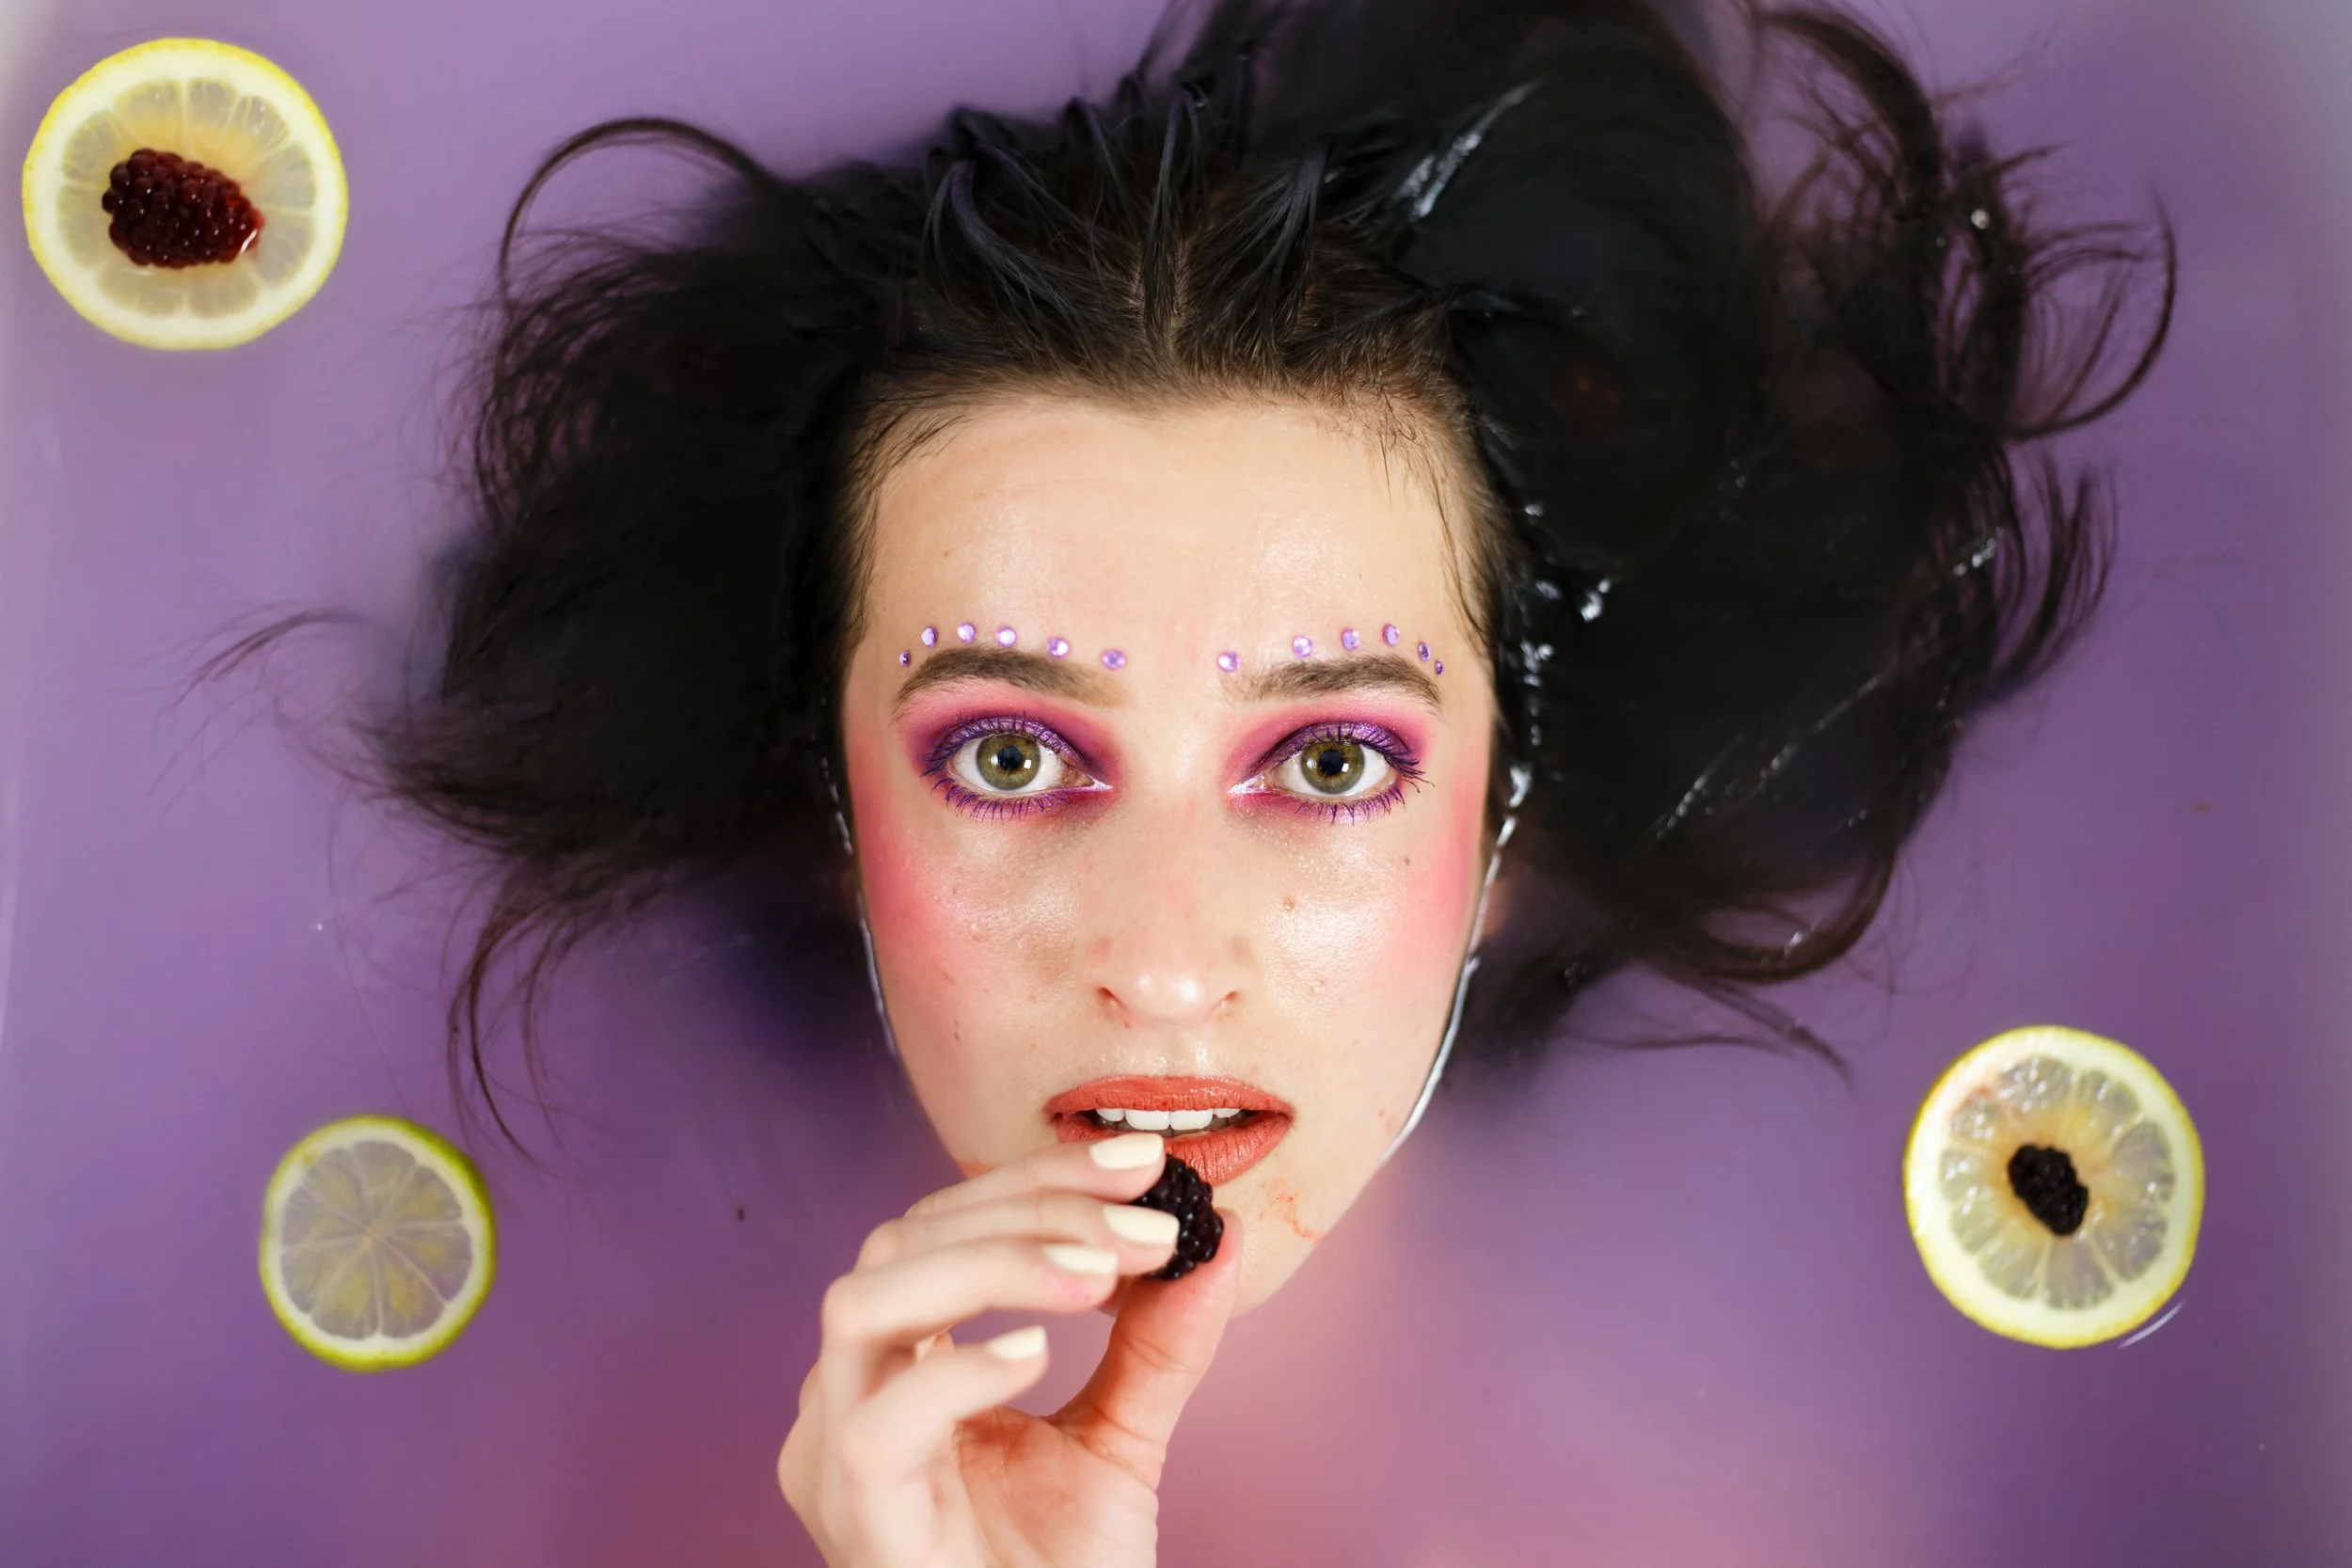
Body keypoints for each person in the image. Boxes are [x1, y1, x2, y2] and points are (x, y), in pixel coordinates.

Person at [239, 0, 2169, 1557]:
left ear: (1509, 825)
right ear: (827, 807)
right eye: (1007, 752)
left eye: (1327, 757)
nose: (1161, 963)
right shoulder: (524, 1504)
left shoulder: (1717, 1522)